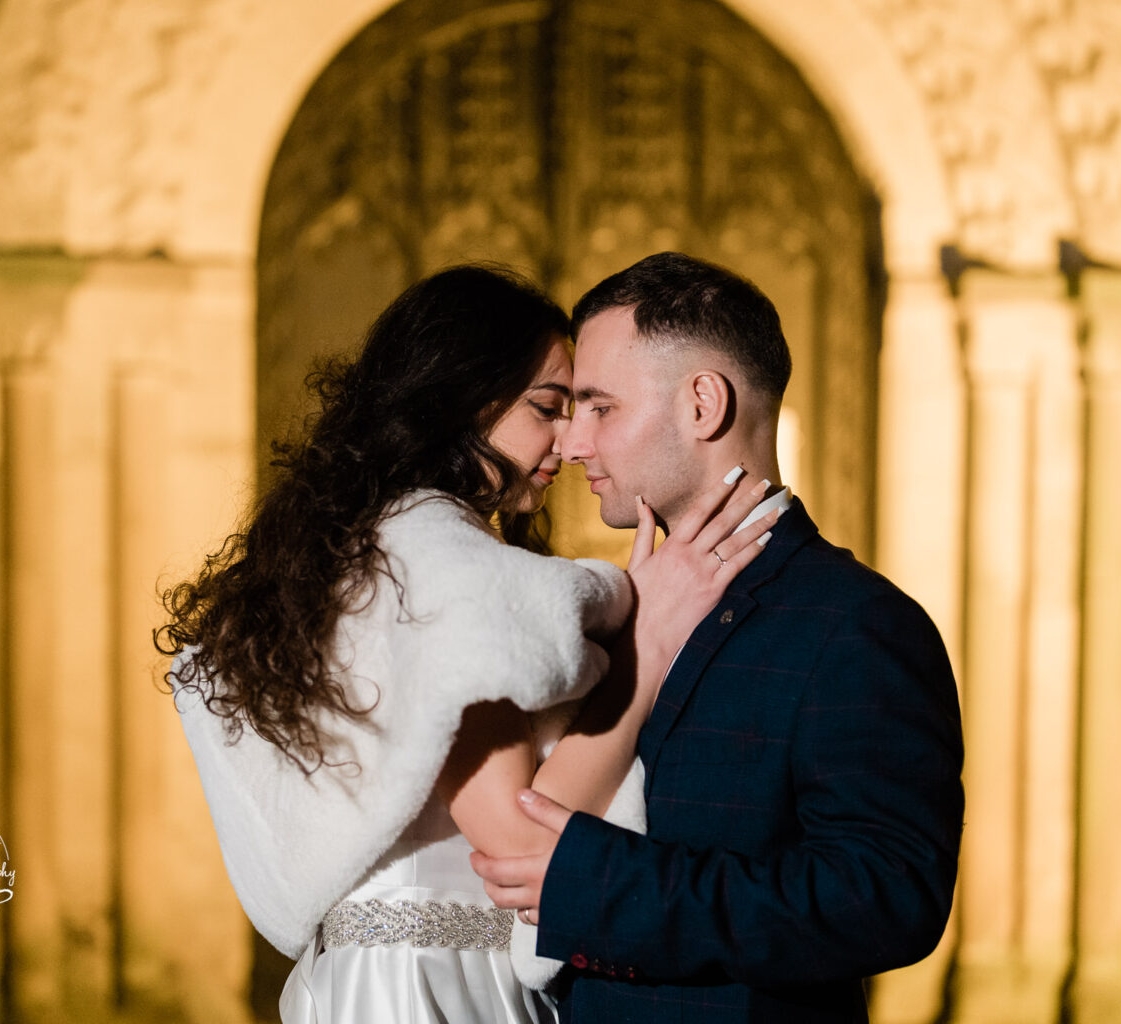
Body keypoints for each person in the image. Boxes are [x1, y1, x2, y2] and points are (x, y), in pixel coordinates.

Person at [156, 264, 778, 1024]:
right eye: (549, 407)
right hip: (434, 988)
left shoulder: (366, 547)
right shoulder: (439, 559)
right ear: (466, 401)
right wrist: (645, 644)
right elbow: (520, 837)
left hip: (373, 979)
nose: (573, 440)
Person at [471, 252, 966, 1023]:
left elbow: (888, 896)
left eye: (600, 407)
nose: (571, 445)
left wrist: (607, 887)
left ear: (703, 404)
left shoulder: (858, 625)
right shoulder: (612, 611)